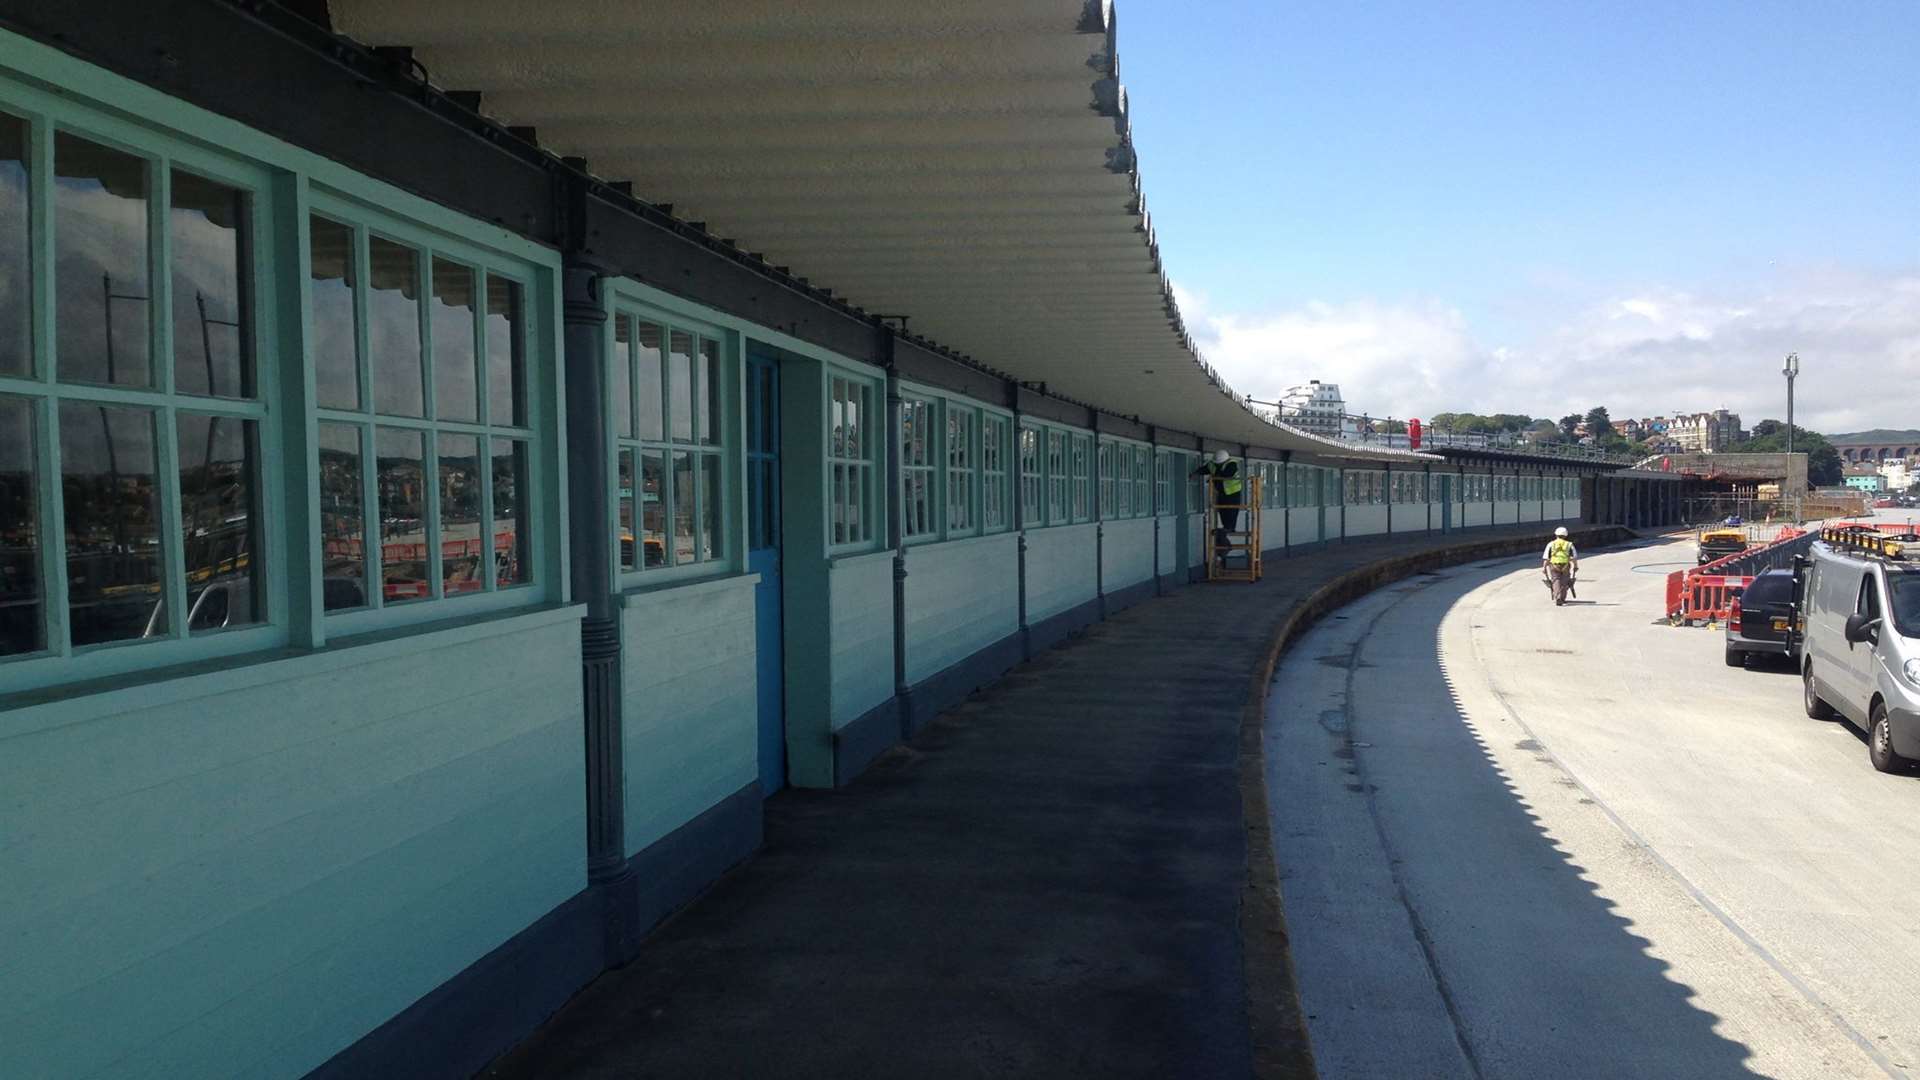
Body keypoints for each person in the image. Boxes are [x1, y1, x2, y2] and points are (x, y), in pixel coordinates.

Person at [1192, 449, 1244, 562]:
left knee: (1232, 511)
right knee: (1222, 510)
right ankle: (1226, 528)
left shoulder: (1231, 464)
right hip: (1222, 492)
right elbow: (1206, 469)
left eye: (1219, 463)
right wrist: (1196, 473)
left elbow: (1227, 475)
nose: (1218, 465)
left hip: (1233, 493)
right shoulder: (1212, 464)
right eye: (1217, 463)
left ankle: (1230, 527)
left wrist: (1213, 477)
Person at [1542, 525, 1579, 606]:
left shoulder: (1551, 544)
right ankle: (1562, 598)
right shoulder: (1569, 544)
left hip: (1554, 565)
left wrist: (1544, 568)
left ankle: (1557, 597)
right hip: (1565, 565)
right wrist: (1575, 566)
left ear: (1556, 535)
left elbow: (1546, 558)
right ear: (1566, 535)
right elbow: (1574, 558)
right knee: (1564, 581)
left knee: (1556, 581)